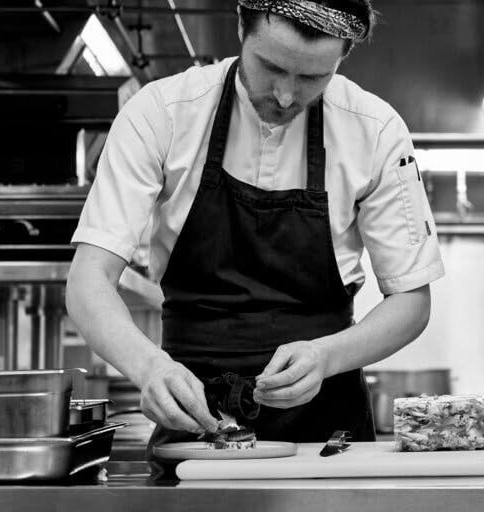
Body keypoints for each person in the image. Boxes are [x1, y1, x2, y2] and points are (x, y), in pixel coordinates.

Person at [66, 0, 445, 462]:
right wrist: (148, 367)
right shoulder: (163, 113)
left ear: (343, 56)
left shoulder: (376, 131)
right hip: (194, 423)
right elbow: (89, 280)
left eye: (312, 79)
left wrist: (326, 357)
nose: (286, 96)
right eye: (271, 68)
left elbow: (411, 301)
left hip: (327, 430)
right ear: (241, 26)